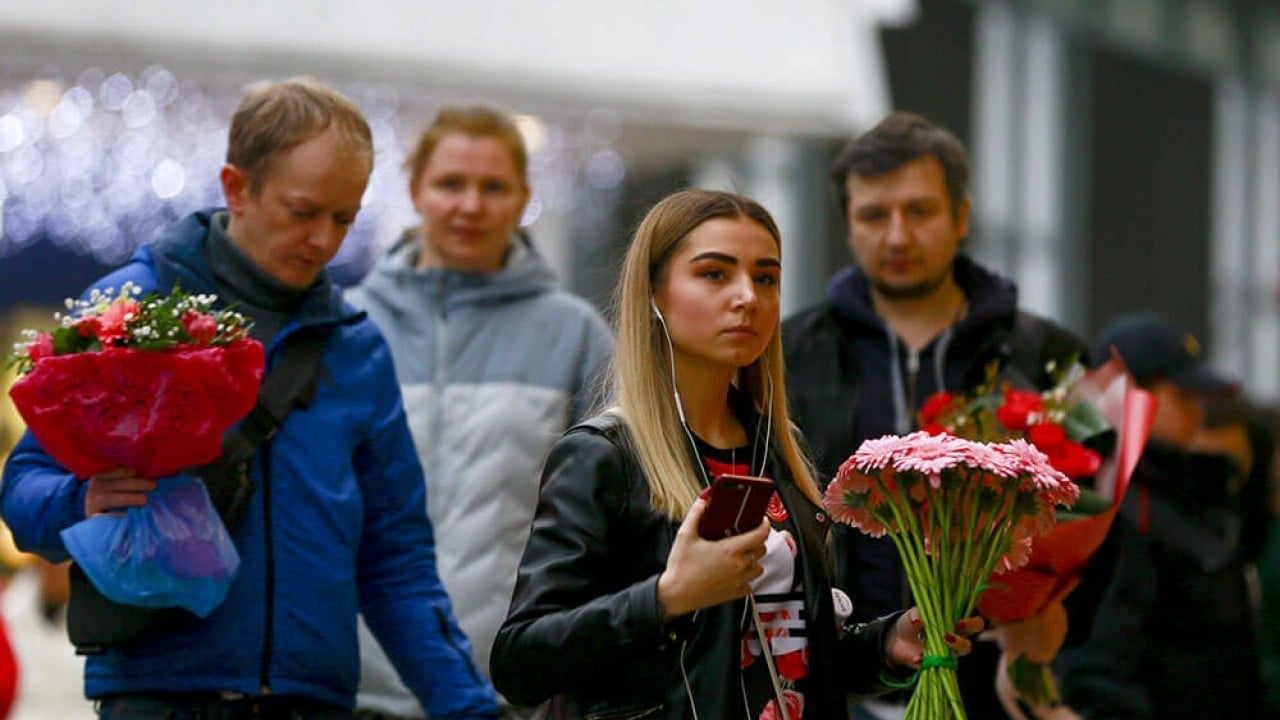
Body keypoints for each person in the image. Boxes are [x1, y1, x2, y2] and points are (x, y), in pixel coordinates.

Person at [0, 78, 497, 719]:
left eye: (344, 218)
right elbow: (25, 486)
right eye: (302, 211)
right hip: (159, 696)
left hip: (309, 702)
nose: (324, 239)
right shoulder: (127, 310)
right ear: (236, 186)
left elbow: (396, 561)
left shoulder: (355, 348)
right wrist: (80, 501)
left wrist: (469, 708)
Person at [490, 189, 981, 719]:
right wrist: (665, 599)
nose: (747, 296)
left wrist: (886, 645)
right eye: (715, 274)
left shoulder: (778, 450)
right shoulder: (604, 457)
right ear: (655, 293)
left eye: (765, 278)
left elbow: (788, 657)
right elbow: (520, 660)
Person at [781, 111, 1088, 719]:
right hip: (832, 690)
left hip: (990, 692)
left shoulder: (1050, 355)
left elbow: (1104, 521)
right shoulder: (788, 356)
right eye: (873, 215)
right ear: (847, 224)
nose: (897, 236)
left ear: (962, 216)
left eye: (919, 211)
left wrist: (1055, 626)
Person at [346, 105, 612, 720]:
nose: (470, 205)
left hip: (506, 691)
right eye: (450, 184)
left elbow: (608, 521)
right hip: (355, 685)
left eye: (493, 187)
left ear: (523, 198)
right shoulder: (350, 325)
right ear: (415, 190)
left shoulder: (574, 335)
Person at [1056, 312, 1266, 718]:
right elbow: (1104, 662)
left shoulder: (1186, 495)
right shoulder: (1111, 506)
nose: (1198, 415)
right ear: (1131, 394)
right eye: (1184, 398)